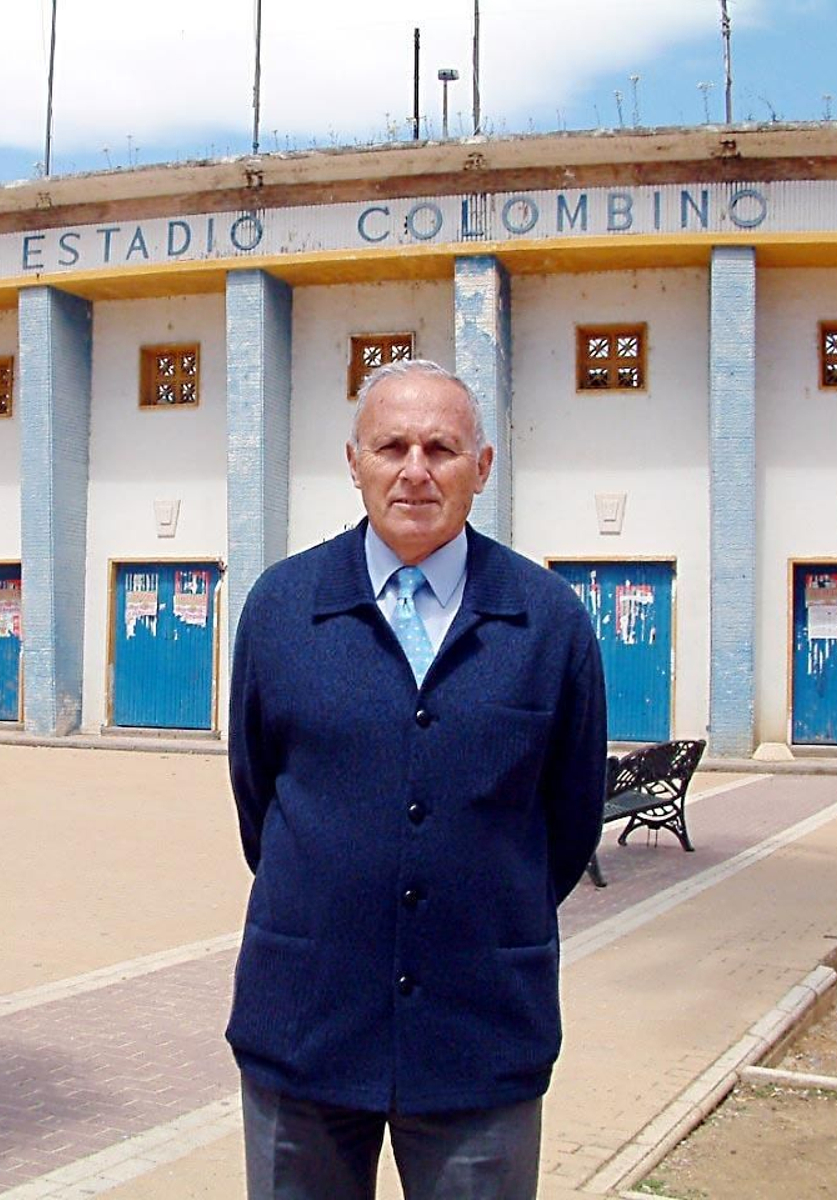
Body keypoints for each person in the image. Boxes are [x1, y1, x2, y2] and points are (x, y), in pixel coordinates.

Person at [227, 359, 609, 1200]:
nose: (414, 469)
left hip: (480, 1035)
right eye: (391, 445)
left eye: (441, 447)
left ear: (482, 467)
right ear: (354, 460)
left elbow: (571, 815)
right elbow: (259, 797)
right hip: (307, 1026)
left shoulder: (547, 622)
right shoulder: (282, 608)